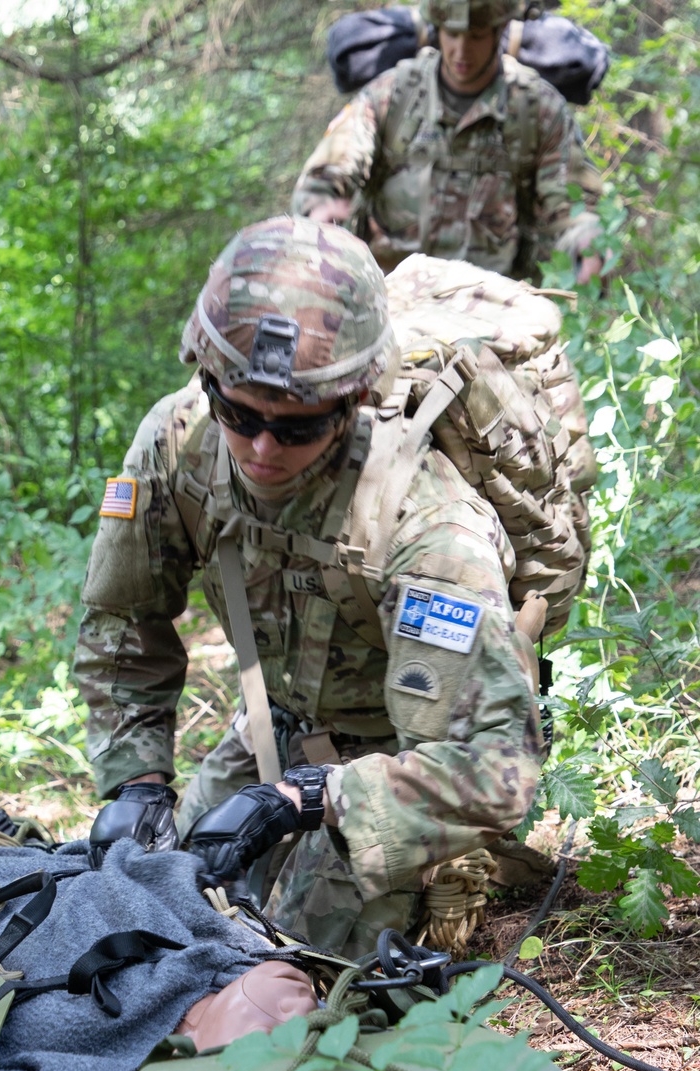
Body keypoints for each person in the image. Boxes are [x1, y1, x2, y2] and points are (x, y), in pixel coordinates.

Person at [75, 216, 545, 956]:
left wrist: (313, 798)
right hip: (277, 723)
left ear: (353, 402)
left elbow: (495, 767)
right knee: (147, 903)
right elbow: (123, 627)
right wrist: (138, 783)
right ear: (208, 379)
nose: (262, 446)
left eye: (297, 427)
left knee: (283, 967)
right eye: (239, 413)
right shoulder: (179, 445)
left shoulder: (426, 525)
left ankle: (453, 863)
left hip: (397, 762)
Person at [291, 0, 604, 286]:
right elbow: (331, 169)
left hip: (494, 303)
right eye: (452, 34)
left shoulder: (535, 108)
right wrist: (320, 211)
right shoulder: (393, 94)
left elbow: (570, 202)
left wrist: (585, 241)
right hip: (389, 295)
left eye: (476, 36)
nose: (461, 51)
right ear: (436, 31)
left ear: (499, 32)